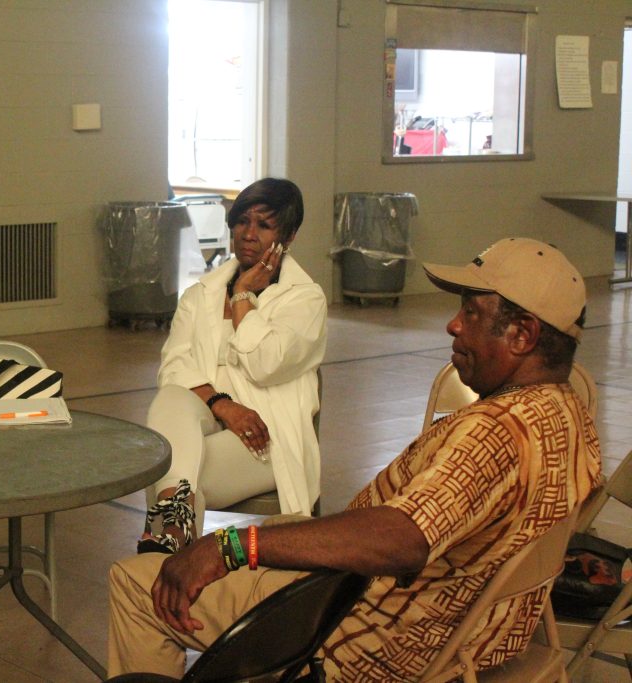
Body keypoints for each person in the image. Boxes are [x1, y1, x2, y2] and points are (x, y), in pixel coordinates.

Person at [109, 237, 602, 680]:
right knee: (281, 529)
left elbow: (403, 539)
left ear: (522, 335)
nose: (453, 324)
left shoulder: (495, 433)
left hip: (363, 633)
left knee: (138, 582)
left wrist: (232, 548)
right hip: (459, 637)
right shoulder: (568, 410)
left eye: (472, 313)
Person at [139, 178, 326, 554]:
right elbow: (173, 367)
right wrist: (224, 406)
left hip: (266, 437)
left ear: (288, 238)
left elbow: (264, 364)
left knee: (169, 475)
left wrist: (243, 297)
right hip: (208, 420)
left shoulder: (305, 300)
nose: (248, 234)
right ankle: (186, 545)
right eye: (242, 221)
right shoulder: (200, 295)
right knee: (172, 398)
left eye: (264, 225)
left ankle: (176, 541)